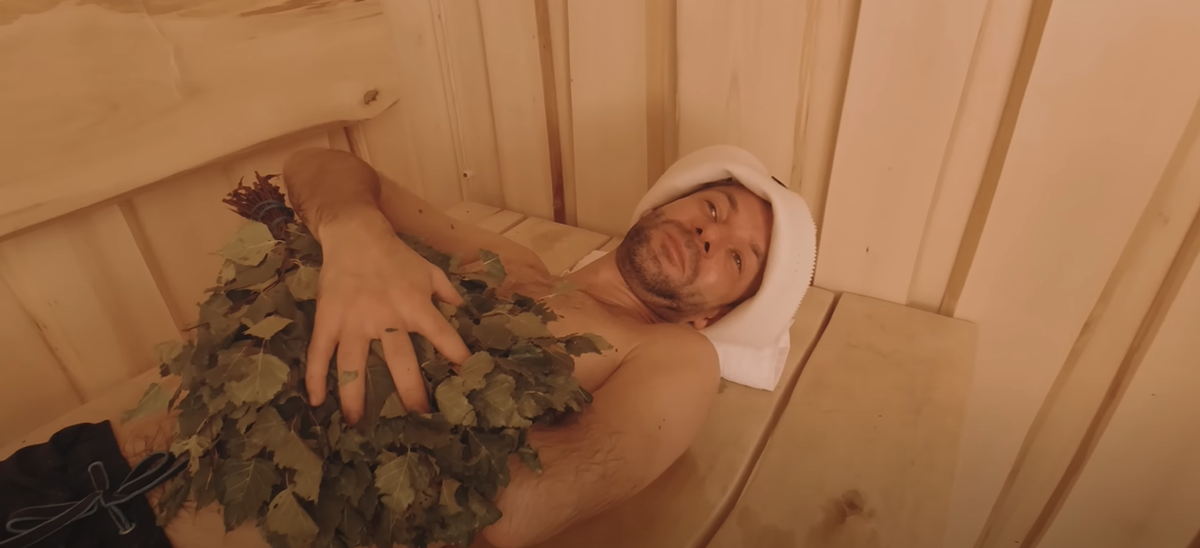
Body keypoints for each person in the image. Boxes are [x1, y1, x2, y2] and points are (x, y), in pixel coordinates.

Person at [279, 147, 775, 547]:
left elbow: (519, 510)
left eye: (737, 259)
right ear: (659, 205)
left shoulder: (678, 354)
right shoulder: (511, 262)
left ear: (712, 317)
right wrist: (357, 236)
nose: (710, 234)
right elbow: (317, 164)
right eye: (713, 209)